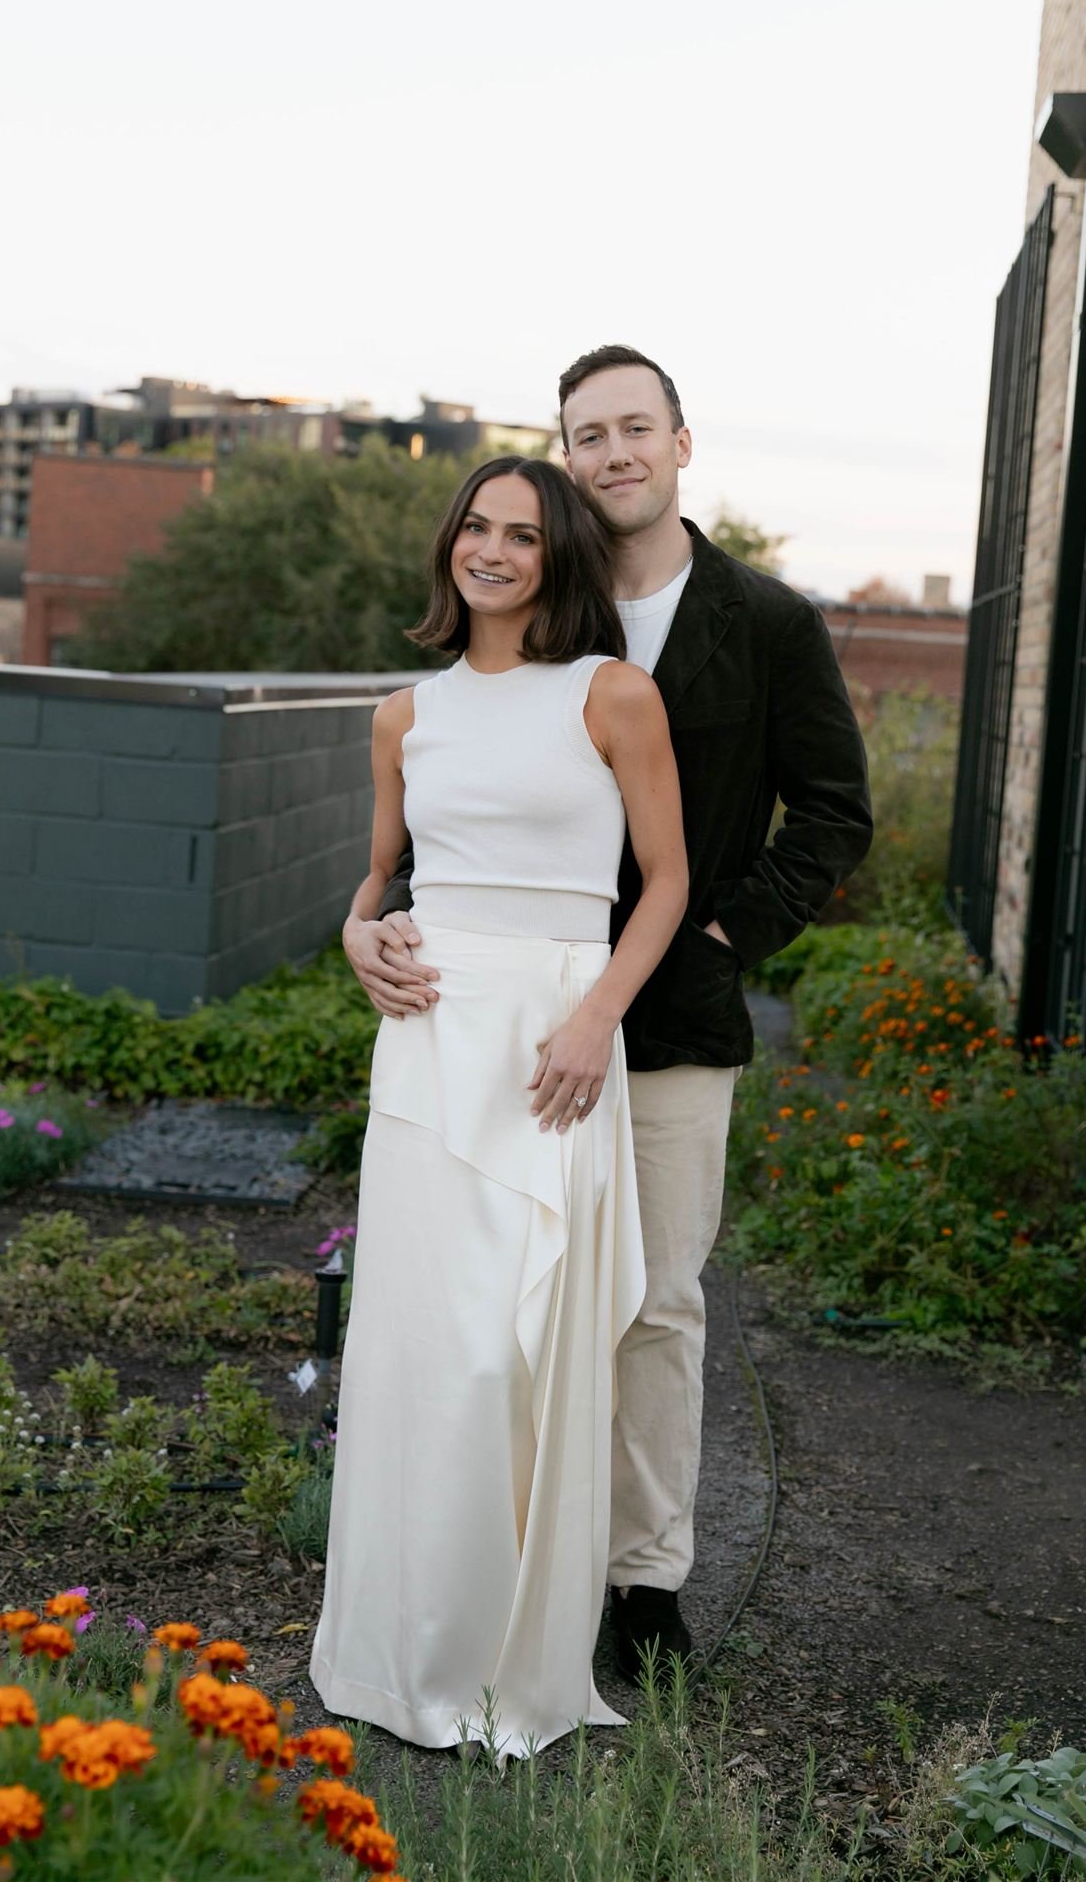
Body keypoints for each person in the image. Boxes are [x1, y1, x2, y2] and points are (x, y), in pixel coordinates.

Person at [347, 346, 873, 1684]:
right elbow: (456, 804)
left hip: (673, 1019)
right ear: (563, 455)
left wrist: (722, 932)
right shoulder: (533, 607)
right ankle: (503, 1555)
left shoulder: (764, 621)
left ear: (683, 444)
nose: (613, 454)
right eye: (588, 435)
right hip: (505, 1012)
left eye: (636, 428)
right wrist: (381, 918)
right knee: (497, 1294)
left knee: (650, 1302)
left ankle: (640, 1582)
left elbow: (833, 814)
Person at [310, 453, 688, 1757]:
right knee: (425, 1351)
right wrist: (358, 939)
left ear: (556, 558)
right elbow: (379, 883)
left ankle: (509, 1659)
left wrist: (594, 1020)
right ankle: (402, 1646)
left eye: (524, 535)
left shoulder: (613, 695)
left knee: (514, 1352)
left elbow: (668, 884)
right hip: (428, 1048)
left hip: (555, 1047)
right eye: (477, 527)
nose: (495, 551)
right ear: (449, 546)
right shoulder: (403, 714)